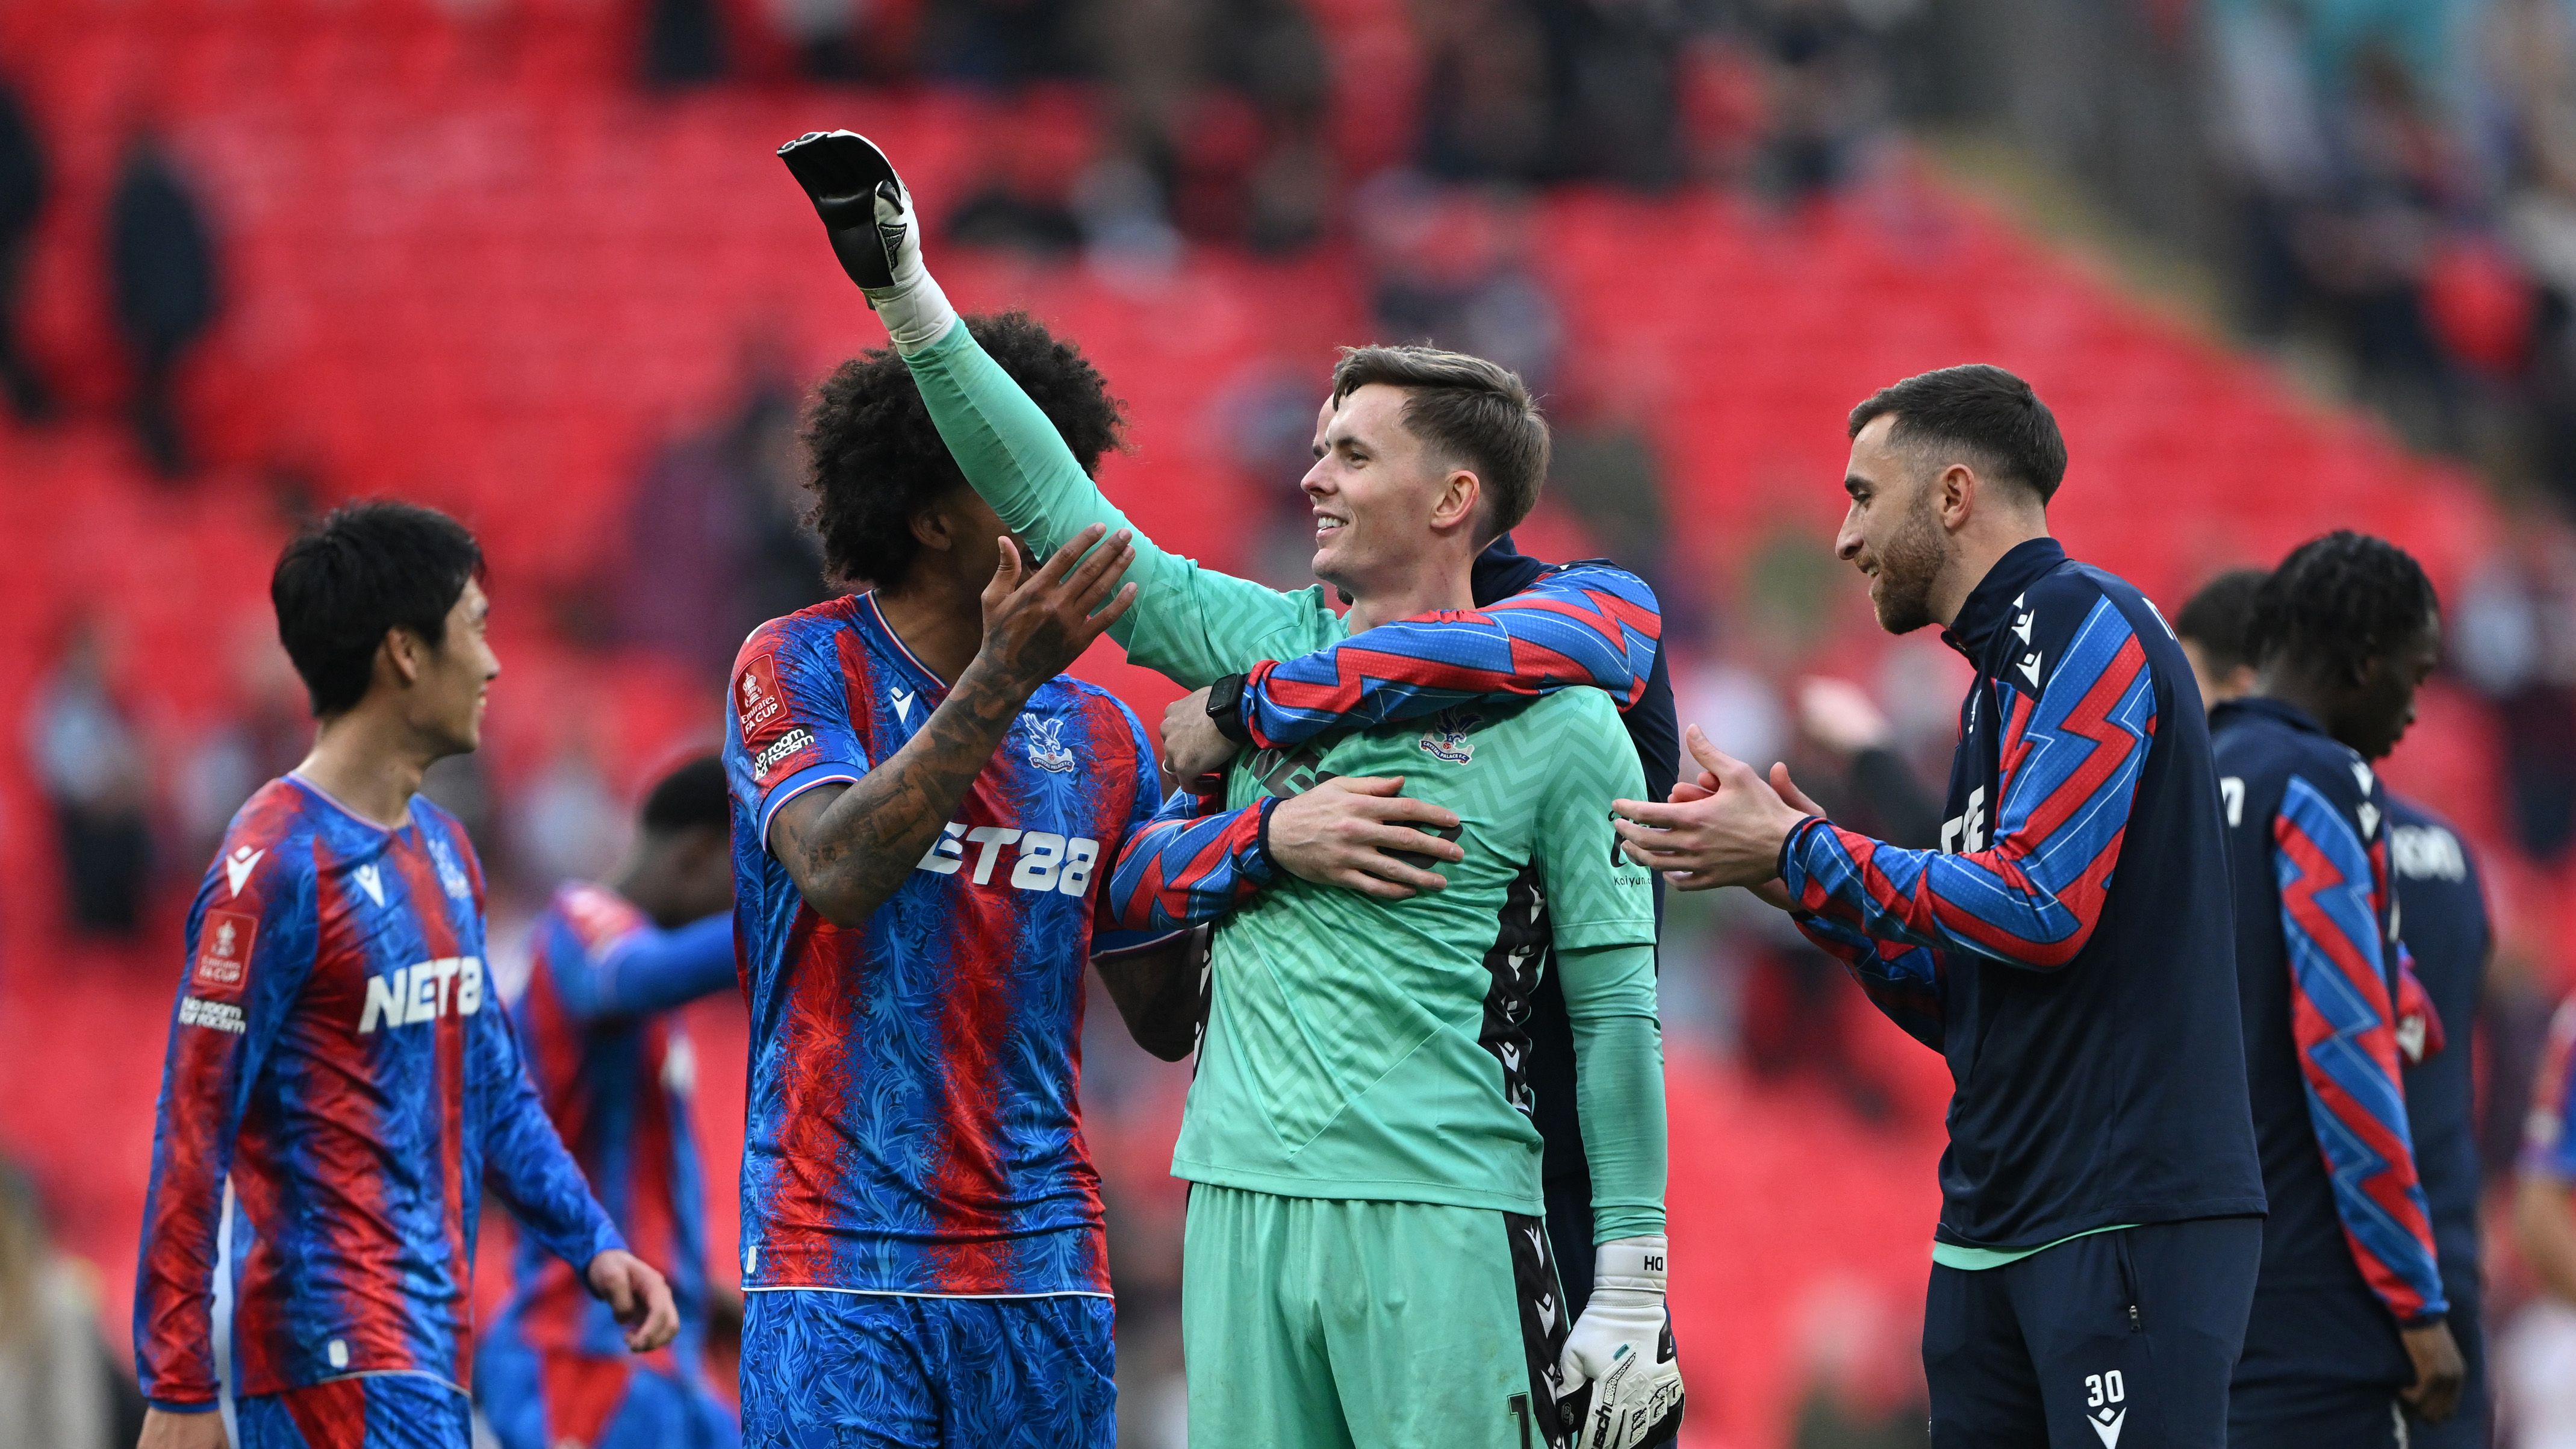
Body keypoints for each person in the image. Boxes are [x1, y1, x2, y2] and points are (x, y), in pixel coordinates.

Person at [779, 129, 1681, 1449]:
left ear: (1456, 499)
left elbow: (1615, 1015)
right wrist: (908, 294)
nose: (1312, 476)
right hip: (1236, 1200)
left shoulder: (1564, 730)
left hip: (1442, 1210)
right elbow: (1056, 499)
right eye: (1320, 449)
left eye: (1354, 456)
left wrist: (1632, 1275)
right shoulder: (1255, 643)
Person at [1610, 365, 2265, 1448]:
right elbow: (1968, 1001)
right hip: (1993, 1223)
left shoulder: (2082, 622)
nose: (1842, 538)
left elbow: (2040, 907)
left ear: (1951, 495)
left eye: (1864, 495)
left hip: (2121, 1215)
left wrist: (1809, 848)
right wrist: (1797, 885)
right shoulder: (1991, 683)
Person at [719, 306, 1229, 1447]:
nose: (1068, 510)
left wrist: (1231, 821)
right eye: (1024, 475)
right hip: (837, 1264)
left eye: (1071, 476)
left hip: (1045, 1270)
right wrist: (999, 676)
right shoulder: (801, 663)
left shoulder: (1103, 737)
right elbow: (839, 870)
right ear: (930, 516)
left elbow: (1162, 1018)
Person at [132, 502, 679, 1449]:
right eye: (474, 625)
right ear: (406, 654)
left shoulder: (444, 850)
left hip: (428, 1352)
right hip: (323, 1363)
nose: (495, 661)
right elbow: (193, 1126)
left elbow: (494, 1086)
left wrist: (593, 1243)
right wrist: (180, 1385)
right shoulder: (274, 866)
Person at [2179, 562, 2494, 1447]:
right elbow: (2344, 1047)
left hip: (2189, 1296)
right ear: (2362, 662)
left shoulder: (2172, 781)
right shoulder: (2323, 779)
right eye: (2414, 673)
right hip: (2321, 1308)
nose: (2413, 706)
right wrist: (2415, 1298)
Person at [476, 756, 742, 1449]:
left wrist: (695, 1293)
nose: (748, 896)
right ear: (701, 854)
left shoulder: (652, 997)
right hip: (581, 1358)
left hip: (664, 1364)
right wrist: (813, 902)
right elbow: (637, 976)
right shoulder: (581, 921)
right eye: (749, 876)